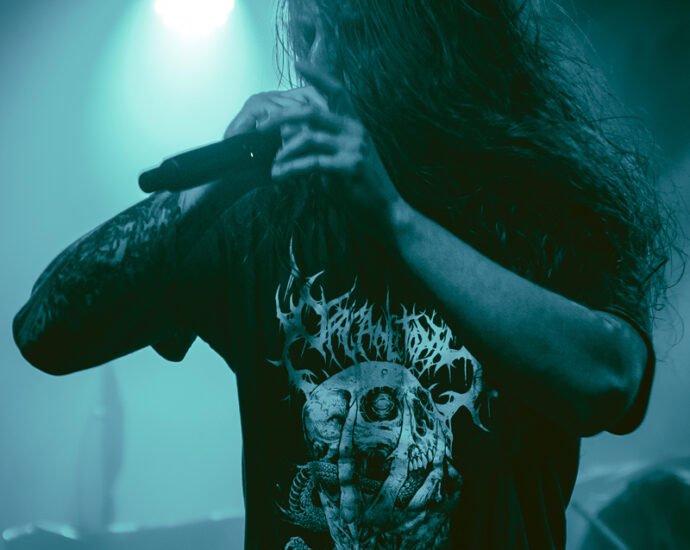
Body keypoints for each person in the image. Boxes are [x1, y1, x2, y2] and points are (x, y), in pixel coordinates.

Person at [12, 0, 675, 548]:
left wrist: (395, 220)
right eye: (306, 35)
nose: (320, 64)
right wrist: (217, 183)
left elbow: (609, 384)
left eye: (354, 35)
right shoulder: (266, 215)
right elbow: (46, 332)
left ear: (435, 42)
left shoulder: (539, 198)